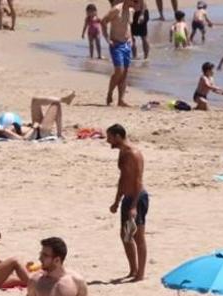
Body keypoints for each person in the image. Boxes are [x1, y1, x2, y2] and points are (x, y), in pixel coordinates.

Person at [106, 124, 148, 281]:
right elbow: (123, 178)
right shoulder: (122, 153)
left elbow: (137, 180)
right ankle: (133, 270)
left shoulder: (133, 154)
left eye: (109, 137)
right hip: (127, 198)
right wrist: (117, 200)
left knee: (138, 236)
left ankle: (141, 274)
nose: (107, 140)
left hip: (138, 198)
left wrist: (134, 206)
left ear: (117, 136)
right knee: (125, 235)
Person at [102, 0, 135, 106]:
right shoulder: (116, 9)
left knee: (125, 73)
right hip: (116, 44)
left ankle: (121, 100)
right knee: (119, 71)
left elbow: (128, 26)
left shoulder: (131, 11)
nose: (136, 3)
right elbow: (103, 21)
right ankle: (110, 93)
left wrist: (131, 38)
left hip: (127, 44)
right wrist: (107, 38)